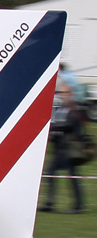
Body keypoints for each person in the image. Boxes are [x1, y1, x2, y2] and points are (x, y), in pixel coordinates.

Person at [41, 85, 88, 214]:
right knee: (51, 173)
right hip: (60, 149)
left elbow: (68, 125)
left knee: (72, 177)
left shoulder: (74, 109)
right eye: (59, 92)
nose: (61, 95)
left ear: (70, 94)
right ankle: (50, 203)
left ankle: (78, 206)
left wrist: (52, 127)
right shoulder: (60, 109)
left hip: (70, 149)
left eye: (63, 92)